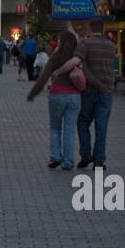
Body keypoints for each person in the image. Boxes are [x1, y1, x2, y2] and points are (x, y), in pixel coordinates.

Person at [52, 19, 115, 171]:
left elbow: (75, 61)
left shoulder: (86, 44)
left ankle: (86, 154)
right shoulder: (111, 46)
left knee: (82, 121)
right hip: (107, 92)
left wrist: (58, 71)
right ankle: (99, 161)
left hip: (89, 92)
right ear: (103, 28)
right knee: (102, 127)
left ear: (90, 29)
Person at [27, 29, 80, 170]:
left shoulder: (55, 57)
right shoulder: (78, 57)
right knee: (69, 130)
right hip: (74, 96)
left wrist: (33, 93)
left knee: (55, 127)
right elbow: (86, 75)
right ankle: (68, 161)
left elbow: (43, 78)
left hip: (56, 95)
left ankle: (55, 157)